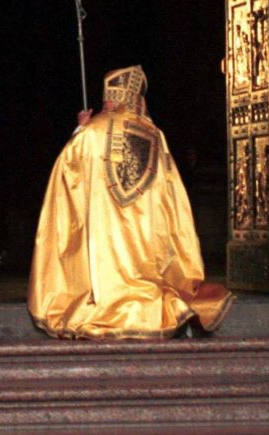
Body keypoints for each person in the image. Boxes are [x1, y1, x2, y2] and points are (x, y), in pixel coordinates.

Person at [28, 65, 234, 339]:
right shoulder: (155, 135)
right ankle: (151, 305)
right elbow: (172, 195)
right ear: (137, 97)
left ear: (108, 96)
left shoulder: (91, 132)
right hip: (145, 238)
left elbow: (66, 178)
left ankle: (101, 307)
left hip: (103, 239)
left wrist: (79, 130)